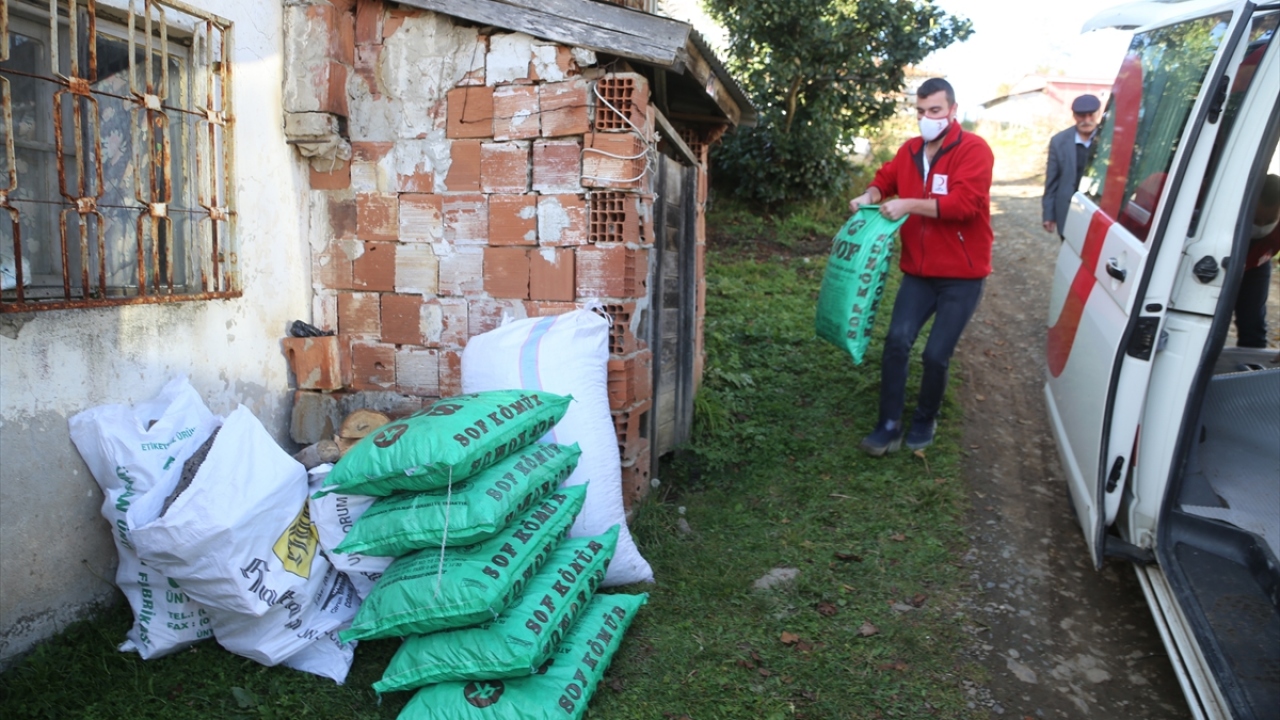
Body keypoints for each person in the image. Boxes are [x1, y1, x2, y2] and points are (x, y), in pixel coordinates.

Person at [847, 77, 994, 455]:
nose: (927, 118)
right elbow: (886, 179)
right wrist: (870, 194)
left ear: (952, 111)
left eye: (935, 111)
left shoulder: (974, 150)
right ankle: (889, 424)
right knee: (896, 341)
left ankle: (926, 417)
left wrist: (909, 204)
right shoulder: (910, 151)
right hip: (919, 273)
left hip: (962, 277)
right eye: (921, 111)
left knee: (935, 355)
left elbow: (965, 205)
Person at [1042, 94, 1102, 239]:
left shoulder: (1109, 139)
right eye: (1082, 116)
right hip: (1068, 210)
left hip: (1099, 211)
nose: (1087, 120)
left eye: (1091, 115)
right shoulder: (1059, 141)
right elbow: (1052, 181)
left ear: (1098, 114)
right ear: (1074, 116)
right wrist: (1049, 214)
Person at [1235, 173, 1280, 348]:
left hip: (1256, 266)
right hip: (1223, 261)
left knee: (1253, 323)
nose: (1261, 226)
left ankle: (1251, 367)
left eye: (1269, 221)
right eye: (1255, 220)